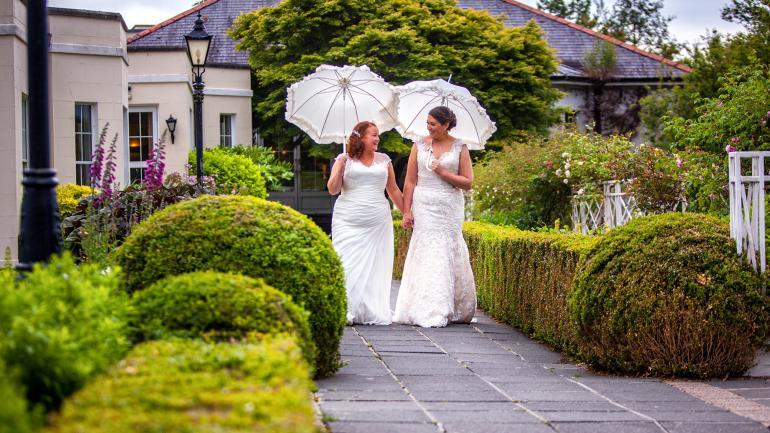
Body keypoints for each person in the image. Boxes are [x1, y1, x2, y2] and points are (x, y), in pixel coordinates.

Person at [393, 106, 476, 327]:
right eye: (427, 123)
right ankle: (427, 305)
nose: (428, 128)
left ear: (446, 124)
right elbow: (410, 181)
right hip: (424, 205)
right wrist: (407, 211)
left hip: (449, 206)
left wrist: (444, 172)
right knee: (427, 249)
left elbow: (468, 183)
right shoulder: (419, 145)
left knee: (446, 249)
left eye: (433, 124)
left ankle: (450, 305)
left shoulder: (460, 147)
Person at [327, 121, 404, 325]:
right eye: (373, 135)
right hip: (348, 217)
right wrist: (339, 168)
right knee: (346, 259)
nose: (377, 138)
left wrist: (407, 212)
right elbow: (333, 189)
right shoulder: (344, 159)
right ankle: (343, 306)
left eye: (378, 135)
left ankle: (367, 309)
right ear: (360, 137)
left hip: (377, 218)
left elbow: (393, 190)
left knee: (375, 264)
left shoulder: (384, 160)